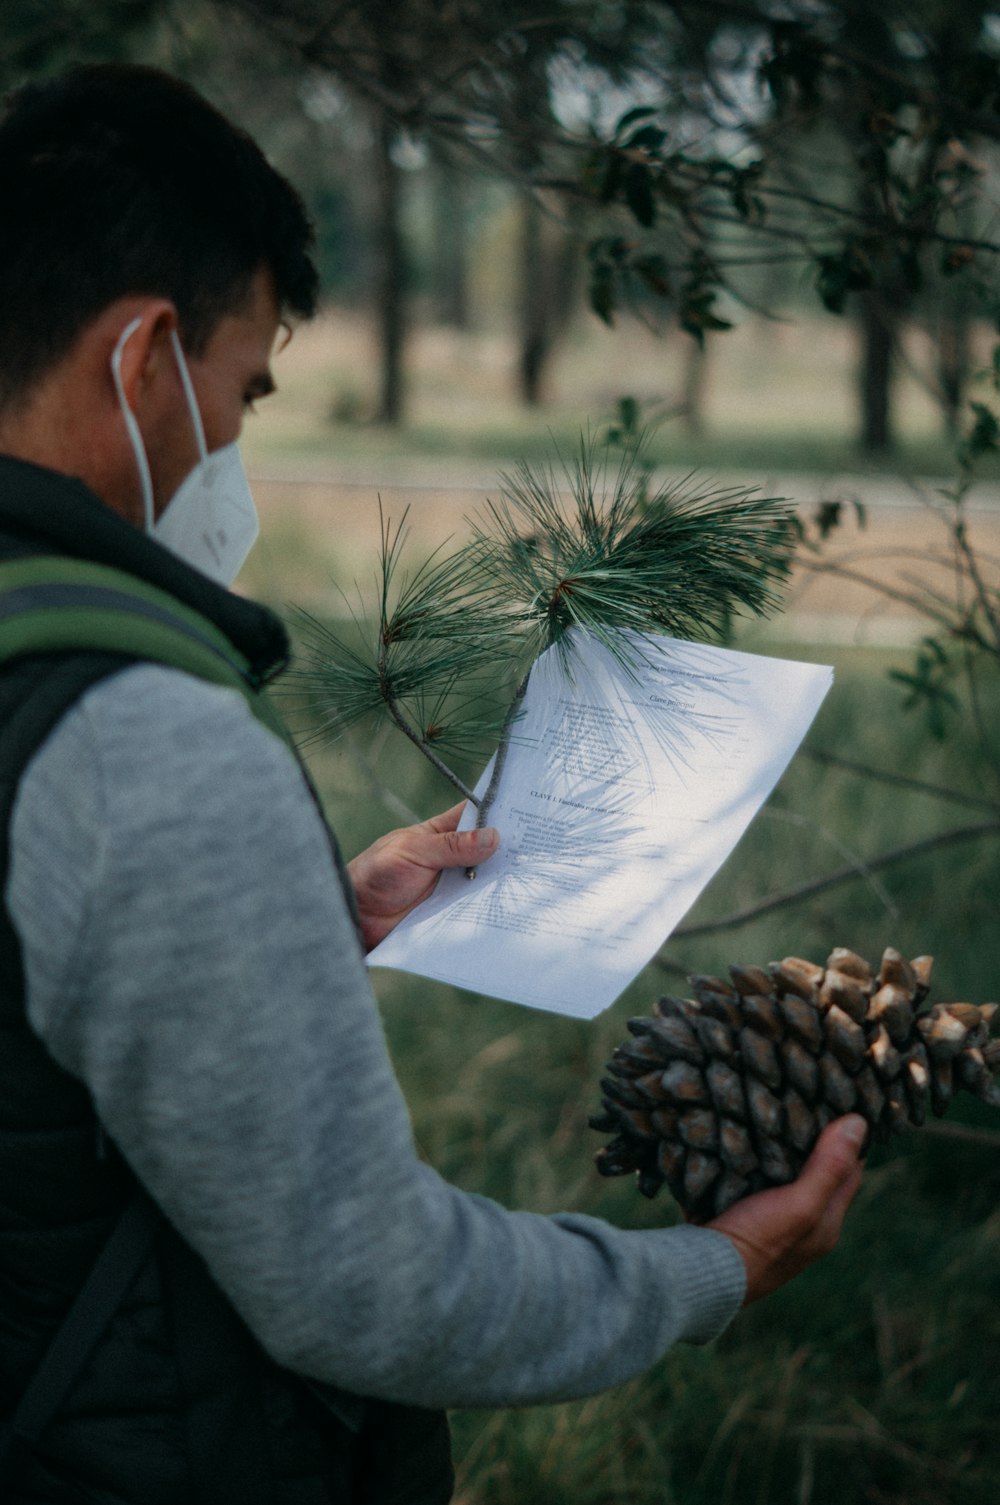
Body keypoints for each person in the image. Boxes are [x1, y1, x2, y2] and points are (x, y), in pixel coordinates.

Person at [0, 63, 865, 1505]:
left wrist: (303, 916)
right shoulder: (138, 732)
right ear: (142, 361)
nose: (235, 443)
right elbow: (367, 1289)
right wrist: (713, 1266)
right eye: (243, 388)